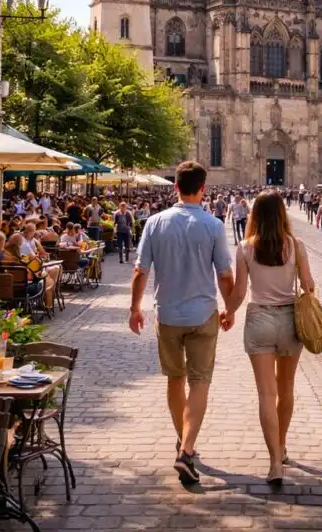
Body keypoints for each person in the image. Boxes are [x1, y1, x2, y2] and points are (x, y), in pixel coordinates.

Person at [129, 161, 233, 487]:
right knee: (199, 382)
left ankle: (183, 442)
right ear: (203, 189)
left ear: (175, 187)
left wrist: (134, 308)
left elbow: (140, 270)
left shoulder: (154, 222)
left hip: (168, 315)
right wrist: (230, 308)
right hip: (203, 314)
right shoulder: (214, 225)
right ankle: (186, 450)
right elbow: (225, 274)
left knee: (175, 380)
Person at [223, 191, 315, 486]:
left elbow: (239, 292)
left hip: (259, 320)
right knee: (286, 390)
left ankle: (275, 462)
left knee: (266, 394)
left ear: (255, 216)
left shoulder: (245, 247)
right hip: (290, 321)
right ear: (282, 214)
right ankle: (282, 445)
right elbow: (309, 285)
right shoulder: (296, 245)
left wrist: (228, 313)